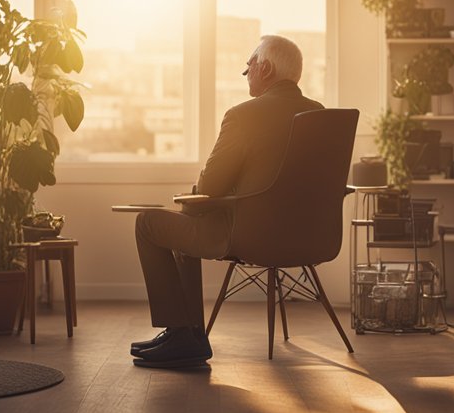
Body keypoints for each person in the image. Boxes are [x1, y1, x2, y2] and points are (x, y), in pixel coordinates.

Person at [131, 34, 323, 368]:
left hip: (248, 235)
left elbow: (212, 184)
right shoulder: (319, 115)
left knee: (148, 223)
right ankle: (186, 336)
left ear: (264, 68)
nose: (245, 72)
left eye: (249, 64)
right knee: (187, 219)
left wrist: (194, 195)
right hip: (309, 238)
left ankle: (182, 334)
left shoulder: (244, 115)